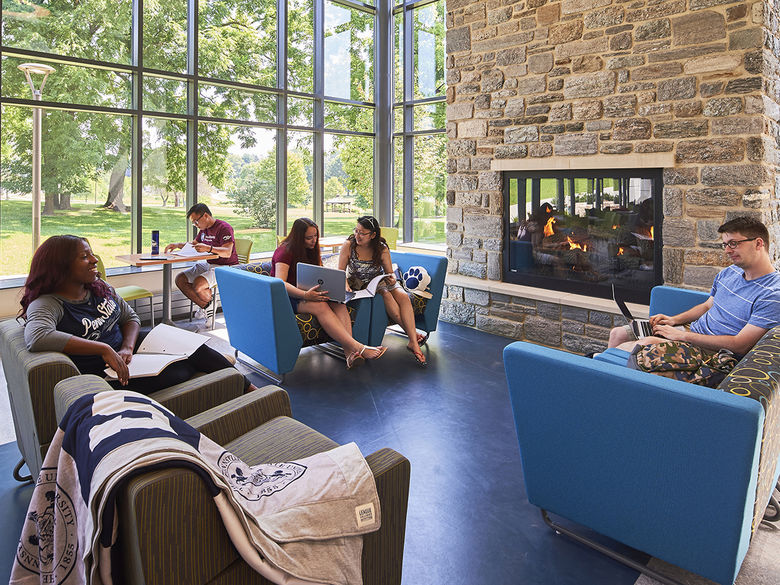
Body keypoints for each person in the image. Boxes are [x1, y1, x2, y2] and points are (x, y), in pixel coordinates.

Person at [21, 235, 257, 393]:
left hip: (128, 351)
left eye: (91, 254)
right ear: (60, 266)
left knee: (192, 346)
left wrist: (126, 346)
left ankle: (248, 388)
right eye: (84, 257)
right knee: (184, 369)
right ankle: (218, 370)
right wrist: (103, 349)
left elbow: (131, 318)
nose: (94, 260)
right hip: (107, 371)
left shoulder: (99, 289)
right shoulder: (48, 303)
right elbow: (38, 337)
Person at [608, 216, 780, 358]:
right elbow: (707, 305)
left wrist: (681, 336)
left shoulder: (772, 294)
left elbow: (740, 345)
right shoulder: (730, 273)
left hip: (713, 351)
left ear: (758, 244)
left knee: (642, 344)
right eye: (725, 244)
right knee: (618, 334)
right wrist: (674, 320)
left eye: (733, 243)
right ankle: (600, 376)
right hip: (692, 331)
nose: (727, 250)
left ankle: (598, 368)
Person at [271, 218, 387, 369]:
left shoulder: (311, 249)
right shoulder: (284, 251)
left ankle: (349, 355)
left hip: (307, 292)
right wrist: (305, 295)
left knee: (339, 302)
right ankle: (359, 348)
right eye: (309, 238)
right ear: (298, 237)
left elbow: (318, 272)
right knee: (321, 308)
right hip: (286, 297)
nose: (313, 241)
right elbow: (280, 283)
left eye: (315, 236)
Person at [338, 215, 428, 367]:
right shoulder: (349, 245)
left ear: (373, 235)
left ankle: (413, 342)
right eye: (356, 230)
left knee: (402, 296)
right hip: (357, 283)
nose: (357, 235)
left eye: (362, 233)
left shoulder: (381, 248)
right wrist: (345, 283)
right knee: (387, 295)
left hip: (379, 281)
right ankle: (413, 338)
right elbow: (340, 271)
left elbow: (389, 272)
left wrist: (392, 279)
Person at [164, 203, 238, 317]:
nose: (195, 225)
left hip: (227, 267)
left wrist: (209, 248)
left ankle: (207, 309)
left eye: (196, 221)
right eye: (193, 223)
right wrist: (177, 245)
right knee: (180, 279)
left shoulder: (224, 228)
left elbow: (227, 252)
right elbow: (194, 245)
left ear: (205, 216)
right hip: (209, 264)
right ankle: (207, 305)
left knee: (198, 284)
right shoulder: (204, 230)